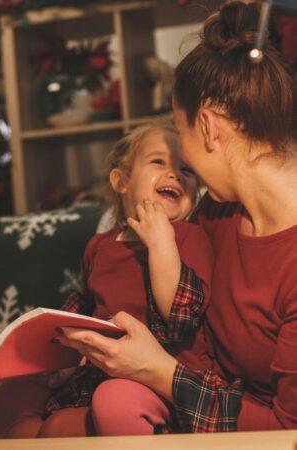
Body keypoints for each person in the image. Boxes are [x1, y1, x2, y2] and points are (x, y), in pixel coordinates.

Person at [51, 0, 297, 433]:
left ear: (208, 128)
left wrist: (157, 372)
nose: (180, 159)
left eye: (179, 133)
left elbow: (285, 429)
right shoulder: (217, 212)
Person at [0, 121, 218, 438]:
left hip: (155, 378)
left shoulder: (188, 236)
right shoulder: (101, 244)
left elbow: (183, 318)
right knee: (11, 394)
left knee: (85, 415)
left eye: (187, 169)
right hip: (97, 372)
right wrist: (58, 354)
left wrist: (160, 243)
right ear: (121, 181)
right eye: (159, 162)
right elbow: (84, 306)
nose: (175, 174)